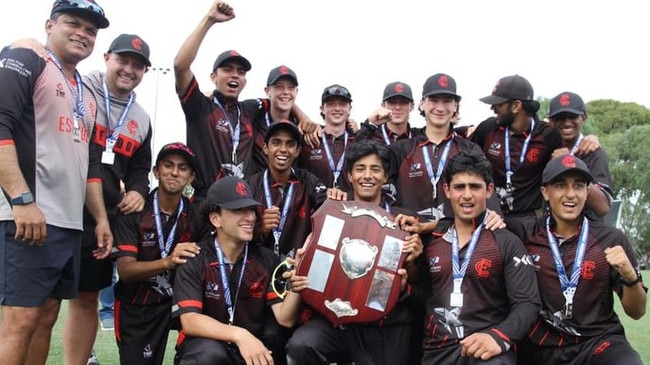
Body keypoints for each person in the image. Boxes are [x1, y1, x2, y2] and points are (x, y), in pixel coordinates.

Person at [0, 1, 111, 365]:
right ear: (50, 25)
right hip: (28, 216)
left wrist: (101, 220)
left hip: (68, 224)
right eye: (73, 23)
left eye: (90, 30)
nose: (82, 33)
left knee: (46, 317)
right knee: (20, 322)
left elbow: (91, 165)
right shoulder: (28, 59)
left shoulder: (87, 93)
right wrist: (21, 200)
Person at [286, 139, 423, 365]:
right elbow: (316, 263)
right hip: (335, 320)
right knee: (302, 345)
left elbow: (415, 281)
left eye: (375, 169)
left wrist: (411, 262)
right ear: (349, 176)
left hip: (384, 324)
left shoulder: (402, 220)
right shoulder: (332, 215)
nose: (367, 176)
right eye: (360, 169)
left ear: (385, 177)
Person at [174, 1, 317, 202]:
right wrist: (209, 20)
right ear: (213, 77)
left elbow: (282, 99)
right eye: (227, 70)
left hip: (243, 202)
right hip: (206, 201)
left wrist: (304, 117)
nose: (235, 75)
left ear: (245, 80)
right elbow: (181, 65)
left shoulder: (249, 109)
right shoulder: (200, 106)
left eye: (240, 72)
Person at [515, 155, 646, 365]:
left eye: (579, 186)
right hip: (541, 346)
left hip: (597, 342)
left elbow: (637, 311)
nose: (571, 194)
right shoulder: (524, 233)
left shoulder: (611, 239)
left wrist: (630, 277)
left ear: (587, 192)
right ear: (545, 192)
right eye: (560, 185)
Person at [420, 151, 540, 365]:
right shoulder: (432, 241)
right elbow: (423, 295)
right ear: (447, 190)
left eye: (475, 187)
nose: (467, 195)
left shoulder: (506, 242)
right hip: (437, 351)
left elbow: (528, 303)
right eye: (459, 187)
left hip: (487, 351)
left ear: (489, 190)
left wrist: (499, 337)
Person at [172, 176, 304, 365]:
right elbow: (190, 321)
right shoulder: (195, 259)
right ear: (215, 218)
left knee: (274, 337)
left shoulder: (267, 259)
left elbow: (285, 318)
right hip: (211, 349)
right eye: (238, 210)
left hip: (251, 351)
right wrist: (240, 335)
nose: (250, 217)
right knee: (208, 355)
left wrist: (296, 286)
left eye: (251, 209)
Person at [111, 142, 204, 365]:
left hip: (178, 303)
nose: (174, 172)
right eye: (168, 165)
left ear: (191, 177)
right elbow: (125, 271)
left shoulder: (196, 215)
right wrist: (168, 261)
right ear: (156, 171)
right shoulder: (134, 211)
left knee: (210, 353)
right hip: (138, 306)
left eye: (183, 168)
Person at [389, 73, 502, 233]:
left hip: (455, 242)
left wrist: (494, 215)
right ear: (422, 104)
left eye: (447, 101)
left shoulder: (470, 149)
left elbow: (486, 195)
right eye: (434, 100)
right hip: (409, 238)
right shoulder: (400, 149)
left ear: (456, 106)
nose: (440, 108)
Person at [470, 74, 563, 228]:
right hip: (490, 217)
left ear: (516, 106)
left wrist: (591, 139)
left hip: (527, 220)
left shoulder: (548, 136)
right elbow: (461, 150)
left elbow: (568, 158)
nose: (493, 108)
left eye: (498, 104)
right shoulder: (488, 128)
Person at [247, 121, 326, 257]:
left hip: (297, 267)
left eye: (290, 144)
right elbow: (236, 232)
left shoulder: (309, 181)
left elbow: (329, 214)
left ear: (297, 151)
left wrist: (335, 198)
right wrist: (260, 228)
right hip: (259, 269)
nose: (283, 149)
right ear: (266, 148)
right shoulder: (251, 185)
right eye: (276, 143)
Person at [547, 91, 613, 220]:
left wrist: (569, 163)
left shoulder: (594, 153)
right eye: (560, 117)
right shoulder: (549, 149)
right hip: (551, 232)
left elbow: (603, 207)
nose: (566, 123)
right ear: (551, 121)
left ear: (583, 118)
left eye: (572, 116)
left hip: (588, 234)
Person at [298, 84, 356, 192]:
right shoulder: (309, 139)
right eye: (331, 104)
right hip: (315, 207)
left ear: (349, 109)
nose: (337, 108)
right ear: (322, 109)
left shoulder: (358, 141)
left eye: (343, 104)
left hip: (350, 206)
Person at [357, 81, 418, 145]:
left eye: (403, 102)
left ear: (412, 106)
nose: (397, 107)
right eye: (392, 102)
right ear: (383, 106)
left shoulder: (419, 137)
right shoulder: (370, 136)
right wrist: (370, 123)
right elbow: (354, 151)